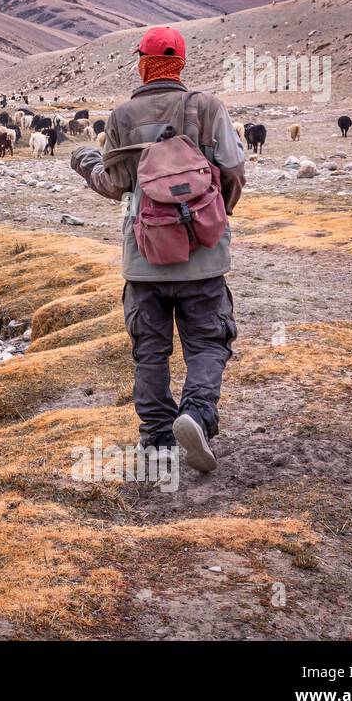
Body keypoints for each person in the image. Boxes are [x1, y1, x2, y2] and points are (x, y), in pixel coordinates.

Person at [70, 26, 245, 472]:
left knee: (150, 350)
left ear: (143, 63)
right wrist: (211, 218)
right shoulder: (206, 107)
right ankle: (198, 415)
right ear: (180, 63)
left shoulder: (123, 115)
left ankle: (156, 439)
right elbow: (233, 170)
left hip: (144, 259)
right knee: (207, 342)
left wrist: (87, 164)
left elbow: (114, 185)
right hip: (202, 259)